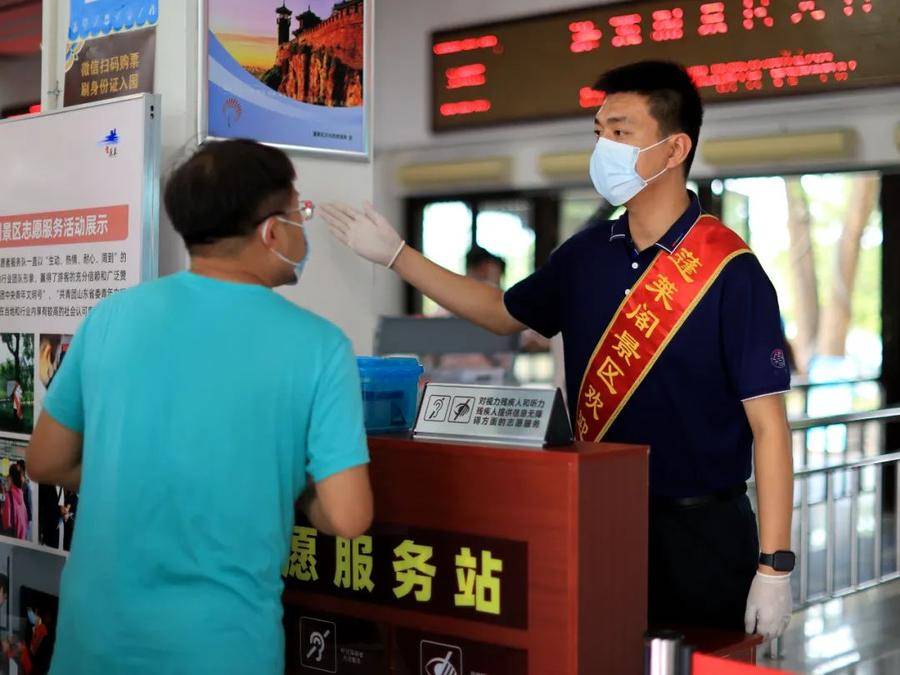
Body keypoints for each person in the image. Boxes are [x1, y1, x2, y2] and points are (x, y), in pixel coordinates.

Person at [322, 61, 795, 639]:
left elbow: (770, 427)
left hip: (705, 530)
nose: (604, 147)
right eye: (598, 133)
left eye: (621, 132)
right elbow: (500, 313)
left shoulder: (731, 270)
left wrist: (774, 564)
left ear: (675, 149)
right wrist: (398, 254)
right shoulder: (586, 255)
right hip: (600, 516)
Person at [26, 139, 373, 674]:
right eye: (298, 210)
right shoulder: (319, 346)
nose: (303, 228)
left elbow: (45, 462)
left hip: (93, 642)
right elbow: (349, 517)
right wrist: (290, 489)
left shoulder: (112, 317)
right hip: (224, 649)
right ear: (271, 230)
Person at [2, 465, 28, 540]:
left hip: (13, 538)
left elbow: (6, 523)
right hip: (22, 536)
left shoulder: (9, 496)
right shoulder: (21, 493)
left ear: (11, 478)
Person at [16, 461, 32, 540]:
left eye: (17, 466)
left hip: (24, 512)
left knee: (23, 535)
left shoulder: (24, 481)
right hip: (23, 512)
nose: (16, 468)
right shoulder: (24, 480)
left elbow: (26, 501)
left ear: (20, 467)